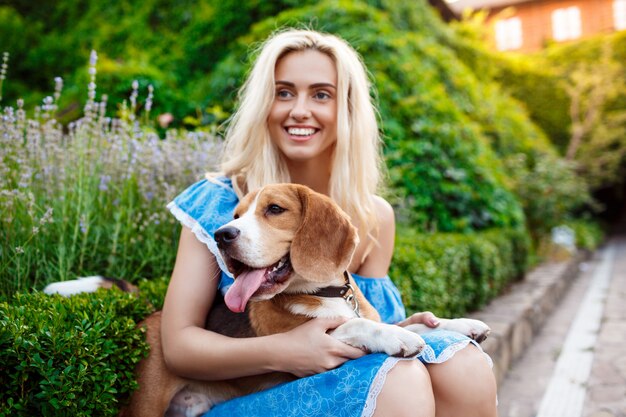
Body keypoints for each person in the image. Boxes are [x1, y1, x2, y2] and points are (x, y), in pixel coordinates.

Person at [163, 28, 497, 417]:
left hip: (350, 383)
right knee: (400, 383)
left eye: (321, 94)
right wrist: (283, 350)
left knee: (463, 367)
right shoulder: (218, 203)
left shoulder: (372, 216)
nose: (299, 109)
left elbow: (354, 329)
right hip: (242, 395)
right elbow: (177, 347)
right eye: (284, 92)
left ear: (347, 110)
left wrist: (399, 328)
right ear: (263, 104)